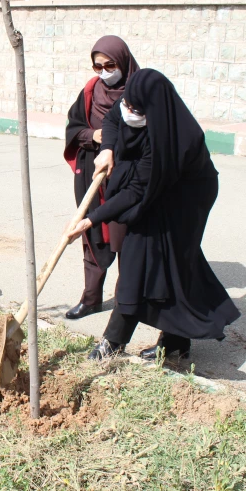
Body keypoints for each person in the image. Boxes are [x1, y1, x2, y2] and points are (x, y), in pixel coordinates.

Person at [66, 68, 240, 361]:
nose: (129, 112)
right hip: (154, 188)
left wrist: (91, 218)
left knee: (146, 258)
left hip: (185, 198)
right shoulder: (132, 106)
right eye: (128, 105)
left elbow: (135, 192)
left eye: (136, 109)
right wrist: (107, 149)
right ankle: (175, 341)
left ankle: (113, 341)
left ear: (154, 110)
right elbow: (112, 118)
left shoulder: (170, 141)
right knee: (168, 264)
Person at [62, 36, 139, 320]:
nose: (105, 71)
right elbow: (74, 127)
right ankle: (91, 298)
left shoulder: (138, 90)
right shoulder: (91, 90)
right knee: (92, 236)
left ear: (124, 61)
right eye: (98, 66)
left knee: (125, 240)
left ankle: (124, 305)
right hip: (93, 176)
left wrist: (117, 145)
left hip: (126, 181)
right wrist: (92, 136)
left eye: (111, 65)